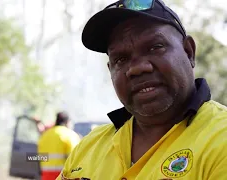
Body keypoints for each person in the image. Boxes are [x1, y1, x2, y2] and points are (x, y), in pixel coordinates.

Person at [57, 0, 227, 180]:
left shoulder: (220, 139)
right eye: (121, 59)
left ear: (189, 51)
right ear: (111, 70)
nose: (137, 68)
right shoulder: (88, 147)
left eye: (155, 47)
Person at [38, 111, 80, 180]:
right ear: (67, 122)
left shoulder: (45, 135)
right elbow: (75, 158)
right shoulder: (70, 135)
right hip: (63, 176)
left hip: (46, 174)